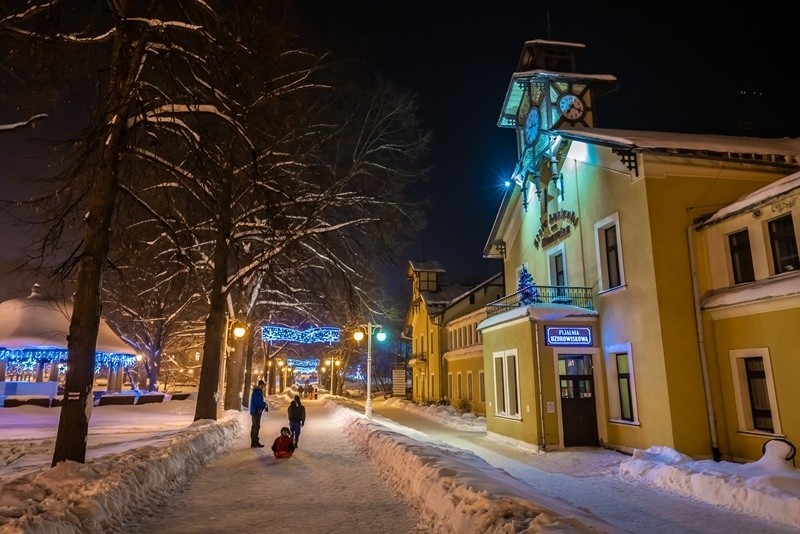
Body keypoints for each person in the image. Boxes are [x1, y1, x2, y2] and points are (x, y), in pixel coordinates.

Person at [249, 379, 268, 447]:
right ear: (260, 385)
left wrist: (263, 404)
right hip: (256, 411)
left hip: (255, 411)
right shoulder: (257, 392)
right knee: (256, 426)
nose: (263, 387)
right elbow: (258, 402)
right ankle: (255, 442)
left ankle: (254, 441)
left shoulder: (257, 391)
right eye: (263, 386)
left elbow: (259, 401)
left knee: (255, 426)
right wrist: (263, 405)